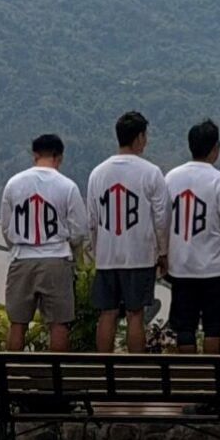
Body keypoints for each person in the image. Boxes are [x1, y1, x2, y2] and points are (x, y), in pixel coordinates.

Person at [86, 111, 169, 354]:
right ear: (139, 138)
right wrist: (162, 252)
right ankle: (134, 372)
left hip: (107, 256)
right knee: (135, 314)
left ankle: (104, 371)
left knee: (107, 313)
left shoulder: (98, 173)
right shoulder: (151, 172)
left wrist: (97, 250)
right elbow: (161, 218)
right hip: (140, 254)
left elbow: (92, 219)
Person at [0, 133, 88, 353]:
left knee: (18, 323)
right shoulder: (67, 186)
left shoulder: (14, 184)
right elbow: (79, 230)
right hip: (56, 258)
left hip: (22, 258)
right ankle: (53, 379)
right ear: (59, 157)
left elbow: (6, 227)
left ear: (35, 155)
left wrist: (18, 246)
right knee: (58, 323)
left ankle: (14, 377)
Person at [164, 119, 220, 356]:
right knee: (213, 328)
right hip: (215, 268)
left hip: (181, 267)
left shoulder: (171, 178)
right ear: (215, 148)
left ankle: (189, 380)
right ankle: (211, 379)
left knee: (185, 327)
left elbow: (163, 221)